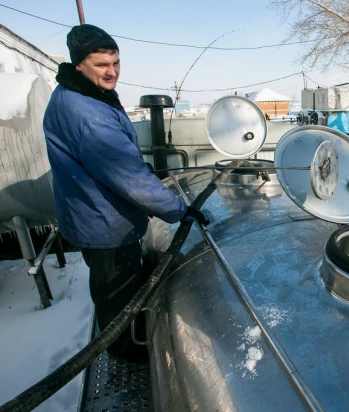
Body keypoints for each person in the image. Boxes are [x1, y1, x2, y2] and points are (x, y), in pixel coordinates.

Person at [43, 24, 208, 362]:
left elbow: (119, 162)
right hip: (105, 225)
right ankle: (125, 351)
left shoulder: (81, 92)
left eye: (116, 62)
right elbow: (127, 176)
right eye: (101, 64)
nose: (112, 72)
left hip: (92, 213)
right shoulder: (86, 115)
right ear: (78, 65)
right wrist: (179, 210)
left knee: (113, 288)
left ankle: (124, 337)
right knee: (117, 293)